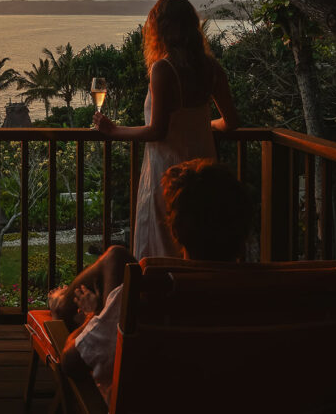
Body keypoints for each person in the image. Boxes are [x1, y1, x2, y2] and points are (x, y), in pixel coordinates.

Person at [52, 159, 252, 401]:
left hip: (149, 400)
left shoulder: (145, 295)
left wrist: (94, 315)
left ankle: (63, 303)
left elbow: (71, 362)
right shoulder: (264, 295)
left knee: (114, 264)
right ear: (243, 231)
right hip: (229, 398)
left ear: (175, 231)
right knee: (117, 256)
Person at [93, 0, 239, 258]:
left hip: (169, 172)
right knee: (199, 246)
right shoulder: (212, 68)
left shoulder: (164, 69)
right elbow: (231, 122)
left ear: (162, 28)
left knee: (163, 246)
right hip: (204, 172)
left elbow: (157, 130)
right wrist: (203, 127)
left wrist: (114, 131)